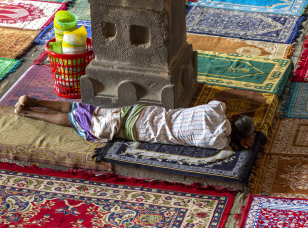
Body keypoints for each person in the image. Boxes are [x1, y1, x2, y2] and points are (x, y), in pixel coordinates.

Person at [14, 95, 255, 150]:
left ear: (233, 118)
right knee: (83, 122)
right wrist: (240, 140)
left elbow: (219, 105)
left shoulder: (216, 111)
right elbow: (227, 142)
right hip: (138, 130)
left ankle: (33, 100)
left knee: (90, 110)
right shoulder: (218, 142)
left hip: (142, 113)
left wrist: (235, 124)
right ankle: (29, 113)